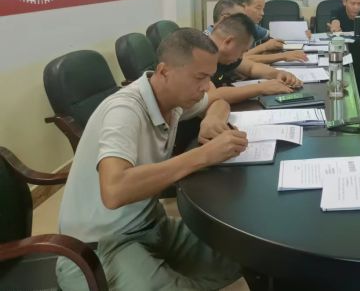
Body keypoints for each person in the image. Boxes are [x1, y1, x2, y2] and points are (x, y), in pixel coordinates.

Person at [56, 28, 248, 290]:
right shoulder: (124, 111)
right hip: (98, 247)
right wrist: (203, 155)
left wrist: (212, 119)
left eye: (209, 77)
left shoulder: (173, 99)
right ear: (164, 71)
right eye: (200, 77)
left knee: (246, 254)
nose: (206, 86)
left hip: (151, 227)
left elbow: (218, 100)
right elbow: (114, 190)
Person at [206, 12, 303, 104]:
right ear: (228, 42)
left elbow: (251, 68)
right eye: (242, 51)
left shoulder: (224, 56)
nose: (241, 56)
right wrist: (261, 88)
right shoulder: (202, 55)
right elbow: (212, 96)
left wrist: (278, 73)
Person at [212, 0, 307, 65]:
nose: (262, 13)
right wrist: (270, 50)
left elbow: (248, 66)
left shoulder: (246, 29)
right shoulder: (210, 46)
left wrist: (303, 32)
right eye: (239, 18)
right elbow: (244, 59)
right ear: (225, 18)